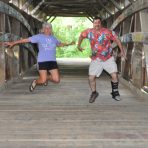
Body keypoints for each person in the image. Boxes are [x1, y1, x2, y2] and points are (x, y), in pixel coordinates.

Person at [5, 22, 75, 92]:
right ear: (43, 30)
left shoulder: (53, 38)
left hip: (52, 61)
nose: (48, 30)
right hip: (42, 61)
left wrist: (68, 44)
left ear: (51, 29)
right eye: (46, 28)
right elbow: (26, 40)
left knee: (57, 80)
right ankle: (36, 81)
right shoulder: (39, 37)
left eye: (49, 28)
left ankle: (46, 77)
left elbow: (59, 44)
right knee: (42, 80)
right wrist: (13, 43)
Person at [77, 16, 126, 103]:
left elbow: (117, 40)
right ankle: (94, 93)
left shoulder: (108, 32)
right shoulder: (88, 32)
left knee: (114, 75)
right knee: (91, 78)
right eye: (95, 23)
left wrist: (122, 51)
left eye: (98, 23)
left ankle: (115, 93)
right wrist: (78, 46)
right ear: (93, 23)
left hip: (108, 57)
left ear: (101, 23)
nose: (97, 24)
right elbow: (81, 36)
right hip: (96, 58)